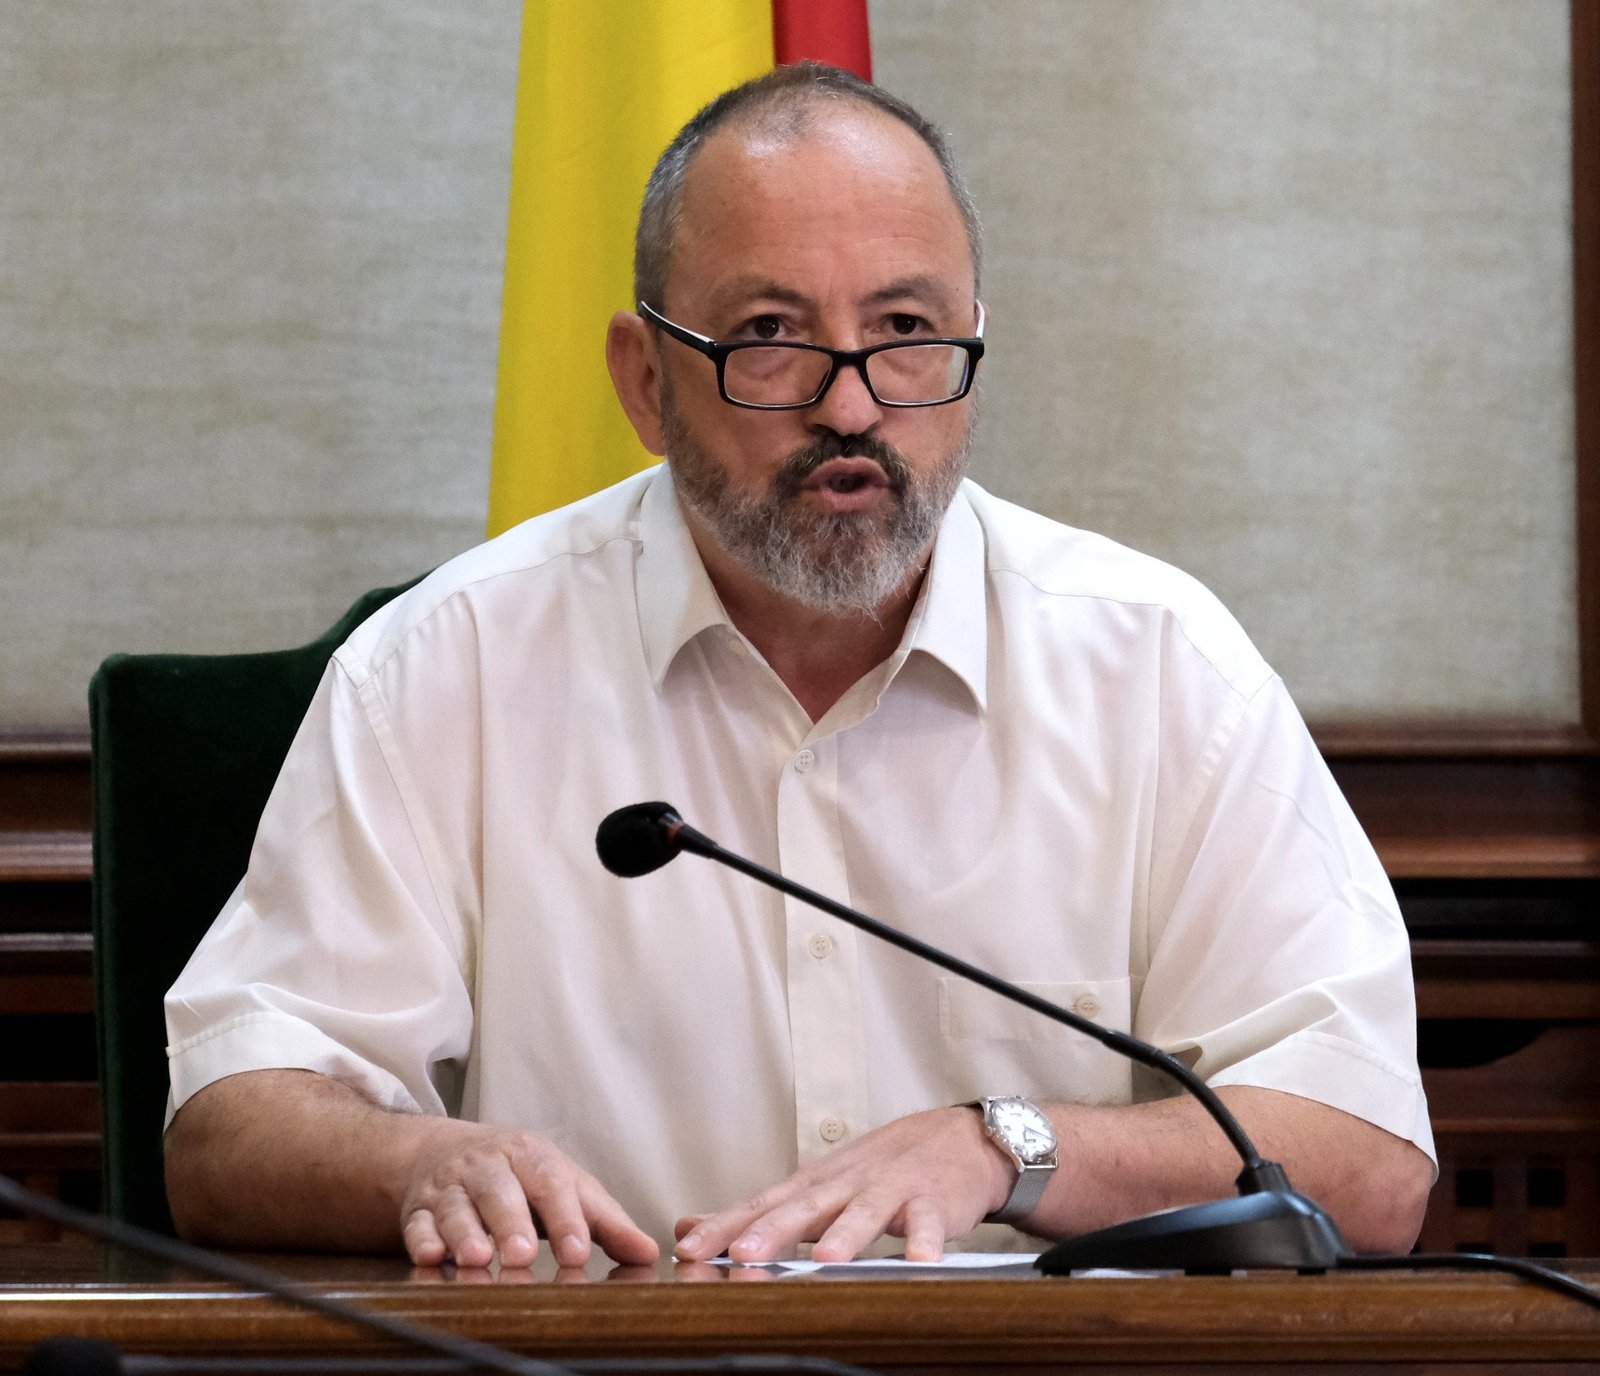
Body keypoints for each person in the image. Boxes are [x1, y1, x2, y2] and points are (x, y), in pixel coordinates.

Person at [163, 64, 1435, 1272]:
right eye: (770, 335)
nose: (852, 406)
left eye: (905, 330)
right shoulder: (449, 666)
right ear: (645, 380)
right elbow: (226, 1128)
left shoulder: (1156, 666)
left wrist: (1006, 1145)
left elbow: (1368, 1161)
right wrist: (420, 1162)